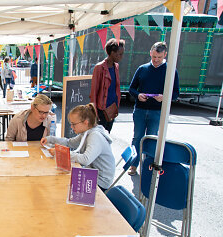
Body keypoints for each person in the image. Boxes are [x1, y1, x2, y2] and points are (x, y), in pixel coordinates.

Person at [127, 41, 179, 175]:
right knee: (137, 137)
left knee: (152, 139)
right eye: (154, 57)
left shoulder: (171, 70)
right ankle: (133, 165)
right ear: (150, 53)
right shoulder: (142, 68)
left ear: (165, 55)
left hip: (157, 111)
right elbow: (131, 88)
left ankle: (148, 167)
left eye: (159, 58)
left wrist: (164, 97)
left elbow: (176, 93)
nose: (156, 60)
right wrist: (138, 95)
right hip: (140, 110)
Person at [41, 103, 115, 191]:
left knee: (61, 184)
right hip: (92, 172)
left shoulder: (95, 136)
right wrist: (50, 139)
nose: (71, 127)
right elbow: (69, 142)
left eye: (73, 124)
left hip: (101, 181)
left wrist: (61, 152)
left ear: (85, 122)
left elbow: (85, 159)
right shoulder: (86, 132)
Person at [90, 38, 125, 133]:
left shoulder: (116, 66)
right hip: (101, 109)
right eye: (120, 54)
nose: (122, 57)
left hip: (112, 107)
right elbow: (94, 92)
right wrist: (95, 112)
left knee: (107, 134)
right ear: (112, 53)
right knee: (99, 136)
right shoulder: (99, 67)